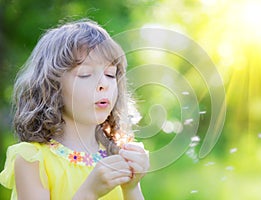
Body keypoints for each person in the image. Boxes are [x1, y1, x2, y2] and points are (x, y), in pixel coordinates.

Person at [0, 19, 149, 200]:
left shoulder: (115, 155)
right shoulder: (32, 160)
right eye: (85, 74)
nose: (104, 84)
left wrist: (132, 187)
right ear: (52, 88)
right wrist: (89, 193)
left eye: (110, 74)